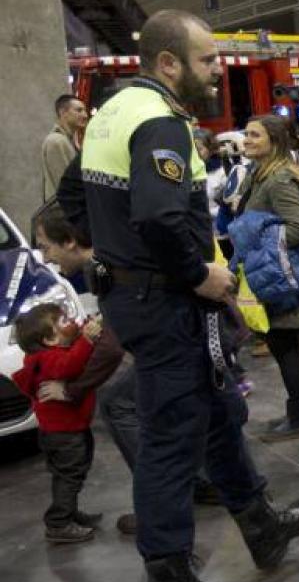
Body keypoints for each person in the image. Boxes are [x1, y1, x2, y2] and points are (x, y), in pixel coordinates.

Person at [81, 10, 299, 582]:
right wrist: (195, 274)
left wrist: (114, 260)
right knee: (170, 438)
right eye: (208, 60)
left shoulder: (109, 113)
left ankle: (261, 526)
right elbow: (160, 218)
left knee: (213, 416)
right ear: (168, 64)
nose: (218, 69)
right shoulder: (158, 120)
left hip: (138, 295)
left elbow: (73, 205)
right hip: (164, 302)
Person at [31, 201, 228, 535]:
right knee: (195, 408)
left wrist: (73, 389)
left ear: (69, 240)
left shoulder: (101, 265)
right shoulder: (110, 254)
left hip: (185, 340)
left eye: (46, 247)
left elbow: (110, 346)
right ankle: (203, 487)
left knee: (119, 403)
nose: (46, 258)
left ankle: (163, 503)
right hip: (191, 337)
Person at [237, 114, 299, 438]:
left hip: (281, 280)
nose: (246, 139)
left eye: (254, 135)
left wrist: (260, 241)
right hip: (270, 276)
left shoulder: (279, 180)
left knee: (284, 344)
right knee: (280, 344)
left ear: (274, 142)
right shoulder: (259, 174)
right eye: (246, 134)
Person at [12, 306, 104, 543]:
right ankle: (59, 523)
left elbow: (70, 350)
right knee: (70, 475)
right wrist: (87, 339)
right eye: (63, 321)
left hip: (61, 432)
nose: (71, 321)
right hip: (66, 435)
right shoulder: (48, 359)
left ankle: (68, 513)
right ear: (49, 339)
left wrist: (84, 331)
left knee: (66, 475)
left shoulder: (46, 355)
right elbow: (70, 365)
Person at [43, 95, 88, 204]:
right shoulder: (57, 141)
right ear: (63, 113)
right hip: (65, 213)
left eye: (85, 110)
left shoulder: (68, 140)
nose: (85, 115)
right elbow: (65, 185)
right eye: (79, 110)